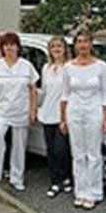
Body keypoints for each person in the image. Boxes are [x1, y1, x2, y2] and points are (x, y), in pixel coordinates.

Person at [0, 32, 39, 192]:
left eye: (12, 45)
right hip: (1, 111)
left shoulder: (27, 66)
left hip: (21, 111)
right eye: (6, 45)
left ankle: (16, 178)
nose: (9, 48)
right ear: (2, 47)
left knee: (19, 146)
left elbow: (33, 89)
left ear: (18, 47)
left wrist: (33, 110)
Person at [60, 28, 106, 210]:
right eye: (79, 41)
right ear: (75, 45)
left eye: (85, 41)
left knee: (94, 154)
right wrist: (63, 119)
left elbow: (105, 95)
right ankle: (80, 192)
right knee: (78, 154)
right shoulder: (68, 67)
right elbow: (64, 95)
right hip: (74, 113)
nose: (82, 45)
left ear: (91, 44)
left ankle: (94, 192)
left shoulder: (101, 67)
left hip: (94, 112)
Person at [38, 36, 72, 198]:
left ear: (65, 48)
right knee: (51, 150)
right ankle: (55, 181)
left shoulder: (70, 67)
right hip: (47, 114)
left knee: (61, 150)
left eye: (59, 46)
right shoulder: (46, 68)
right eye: (53, 47)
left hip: (63, 115)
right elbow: (44, 91)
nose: (56, 49)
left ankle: (65, 178)